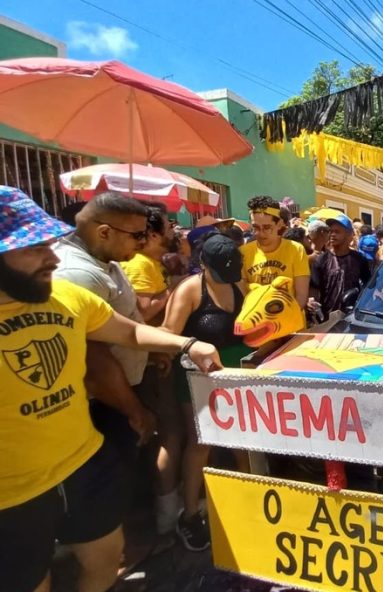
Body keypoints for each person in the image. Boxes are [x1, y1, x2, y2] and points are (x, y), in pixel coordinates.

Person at [0, 186, 220, 592]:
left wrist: (188, 344)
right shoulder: (74, 275)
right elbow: (98, 365)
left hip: (83, 463)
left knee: (105, 557)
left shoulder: (65, 295)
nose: (53, 258)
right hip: (12, 493)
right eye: (35, 249)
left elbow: (130, 332)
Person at [53, 194, 186, 539]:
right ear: (104, 232)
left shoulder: (107, 262)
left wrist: (151, 352)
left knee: (126, 474)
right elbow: (95, 362)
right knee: (108, 487)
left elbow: (125, 327)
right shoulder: (78, 275)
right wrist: (134, 410)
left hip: (122, 392)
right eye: (137, 235)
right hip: (105, 403)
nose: (144, 242)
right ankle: (121, 552)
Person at [162, 233, 251, 552]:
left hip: (236, 374)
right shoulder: (189, 289)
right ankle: (189, 515)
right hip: (197, 377)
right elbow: (168, 335)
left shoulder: (239, 284)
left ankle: (251, 496)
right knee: (201, 442)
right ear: (203, 264)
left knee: (244, 438)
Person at [240, 195, 309, 309]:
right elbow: (243, 296)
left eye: (267, 227)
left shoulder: (296, 250)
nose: (260, 233)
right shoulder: (243, 252)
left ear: (279, 224)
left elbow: (301, 297)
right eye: (255, 227)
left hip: (291, 316)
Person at [119, 203, 176, 324]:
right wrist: (175, 287)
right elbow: (144, 313)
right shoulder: (139, 265)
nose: (174, 231)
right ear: (154, 235)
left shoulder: (152, 262)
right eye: (169, 227)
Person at [309, 212, 373, 316]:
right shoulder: (321, 260)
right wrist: (311, 302)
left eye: (337, 232)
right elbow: (314, 289)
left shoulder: (359, 259)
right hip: (327, 318)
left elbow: (368, 287)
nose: (332, 234)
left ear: (349, 235)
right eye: (331, 231)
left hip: (352, 317)